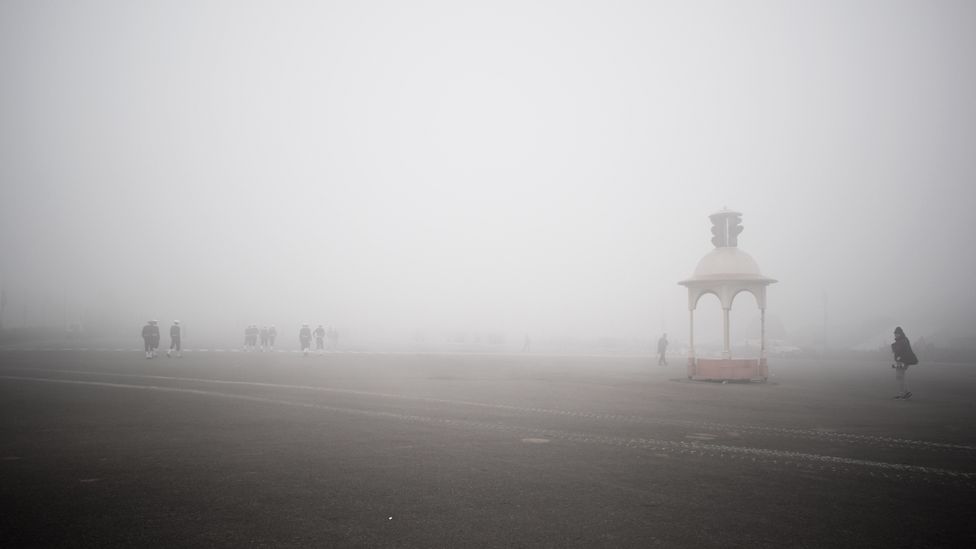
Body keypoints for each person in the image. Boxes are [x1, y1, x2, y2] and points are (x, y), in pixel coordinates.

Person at [891, 326, 918, 400]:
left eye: (897, 333)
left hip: (902, 361)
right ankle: (905, 393)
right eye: (895, 333)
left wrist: (898, 355)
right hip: (902, 361)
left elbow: (902, 351)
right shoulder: (903, 340)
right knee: (900, 376)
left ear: (900, 333)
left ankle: (903, 394)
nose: (895, 334)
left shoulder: (902, 340)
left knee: (899, 376)